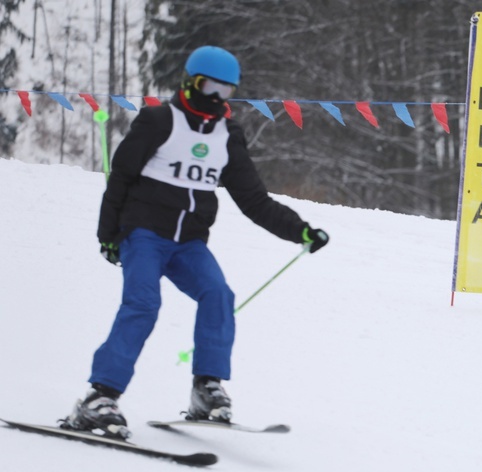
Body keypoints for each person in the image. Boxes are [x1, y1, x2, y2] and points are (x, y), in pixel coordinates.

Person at [61, 46, 329, 439]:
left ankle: (206, 388)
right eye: (210, 85)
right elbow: (120, 178)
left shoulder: (227, 136)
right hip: (144, 235)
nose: (217, 96)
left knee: (218, 294)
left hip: (188, 244)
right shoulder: (158, 121)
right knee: (144, 303)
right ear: (190, 82)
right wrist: (109, 236)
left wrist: (300, 230)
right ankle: (98, 398)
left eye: (226, 89)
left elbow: (254, 200)